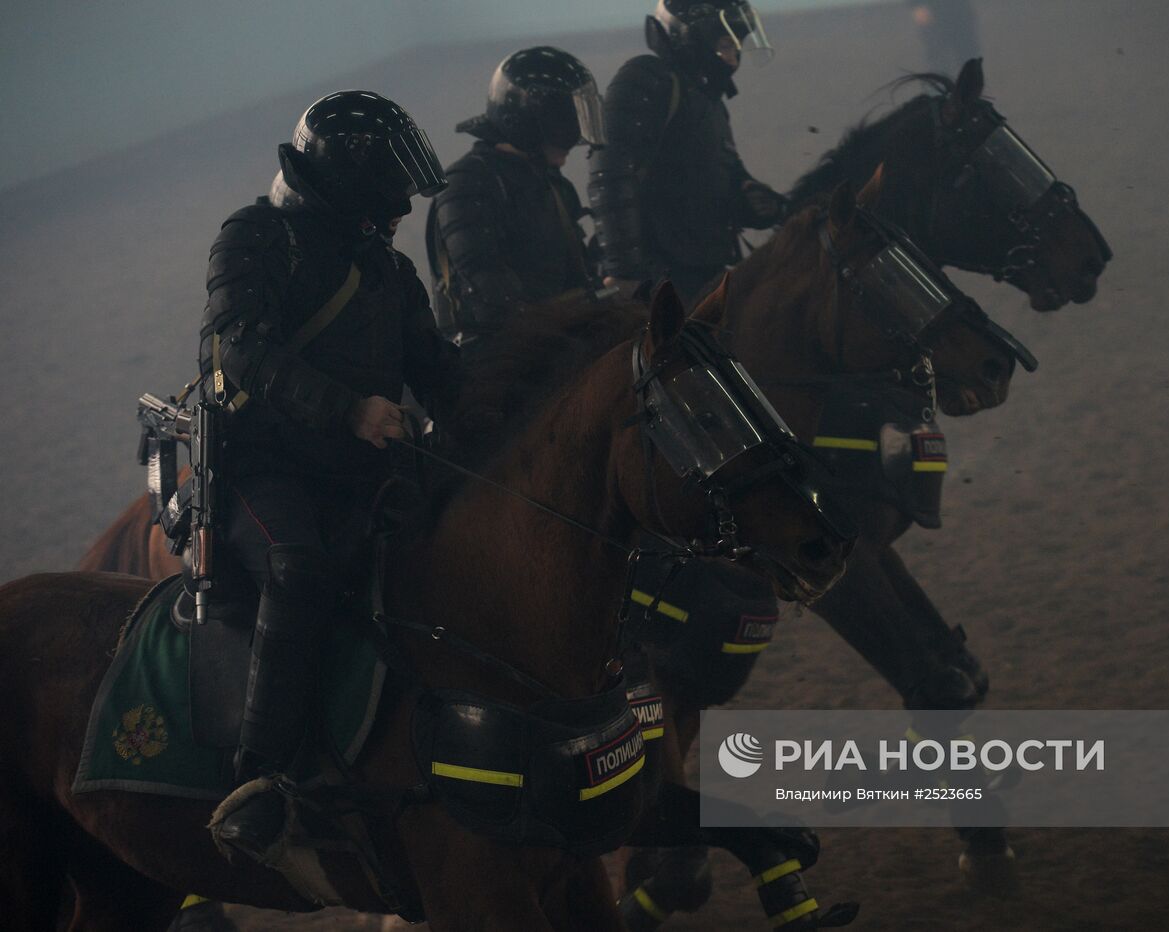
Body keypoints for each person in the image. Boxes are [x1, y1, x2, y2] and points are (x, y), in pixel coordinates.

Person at [200, 90, 463, 860]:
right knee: (300, 567)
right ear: (353, 184)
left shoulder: (386, 268)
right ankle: (261, 781)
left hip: (361, 470)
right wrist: (350, 410)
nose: (404, 209)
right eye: (393, 191)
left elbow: (440, 369)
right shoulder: (252, 238)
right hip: (263, 469)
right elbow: (238, 350)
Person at [588, 0, 788, 305]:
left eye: (737, 45)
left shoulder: (709, 101)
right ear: (690, 38)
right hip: (658, 276)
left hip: (703, 272)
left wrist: (754, 201)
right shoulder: (647, 78)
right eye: (725, 44)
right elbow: (610, 172)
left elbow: (721, 173)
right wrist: (624, 272)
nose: (733, 58)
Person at [426, 46, 607, 341]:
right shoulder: (466, 184)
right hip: (504, 362)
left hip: (560, 343)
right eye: (564, 125)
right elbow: (495, 304)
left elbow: (575, 274)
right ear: (524, 120)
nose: (572, 140)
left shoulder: (548, 180)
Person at [906, 0, 980, 74]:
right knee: (939, 60)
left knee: (968, 54)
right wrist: (917, 5)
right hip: (933, 12)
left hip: (960, 10)